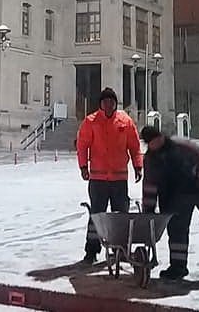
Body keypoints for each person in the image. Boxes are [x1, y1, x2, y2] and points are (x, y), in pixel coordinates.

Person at [140, 125, 199, 281]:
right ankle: (178, 267)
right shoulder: (151, 159)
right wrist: (148, 211)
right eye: (152, 142)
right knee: (176, 229)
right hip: (177, 194)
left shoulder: (182, 146)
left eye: (158, 139)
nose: (157, 143)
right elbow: (150, 185)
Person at [77, 87, 143, 264]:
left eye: (111, 101)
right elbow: (82, 145)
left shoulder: (125, 121)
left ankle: (120, 250)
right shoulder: (91, 121)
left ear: (115, 103)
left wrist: (138, 166)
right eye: (105, 101)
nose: (108, 105)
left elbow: (135, 146)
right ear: (101, 104)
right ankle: (91, 251)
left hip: (119, 179)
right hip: (98, 179)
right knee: (96, 217)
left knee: (120, 217)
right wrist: (83, 167)